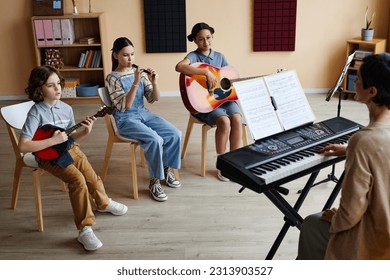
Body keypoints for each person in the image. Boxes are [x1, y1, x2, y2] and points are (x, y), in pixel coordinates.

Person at [19, 66, 128, 251]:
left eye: (58, 84)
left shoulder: (66, 109)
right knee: (78, 180)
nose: (57, 88)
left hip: (69, 149)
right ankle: (85, 229)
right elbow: (23, 146)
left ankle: (103, 203)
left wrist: (85, 132)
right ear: (39, 89)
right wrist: (52, 140)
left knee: (91, 176)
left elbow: (70, 138)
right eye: (50, 85)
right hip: (47, 156)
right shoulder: (36, 112)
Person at [297, 53, 390, 259]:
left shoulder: (363, 141)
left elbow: (350, 214)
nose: (354, 81)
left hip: (378, 240)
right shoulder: (369, 141)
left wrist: (333, 218)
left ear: (372, 92)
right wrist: (349, 149)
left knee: (311, 225)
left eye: (358, 79)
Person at [106, 37, 181, 202]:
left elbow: (154, 98)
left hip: (143, 113)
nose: (130, 59)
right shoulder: (112, 78)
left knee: (175, 133)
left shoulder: (137, 72)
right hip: (126, 119)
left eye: (132, 54)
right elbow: (125, 106)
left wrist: (154, 83)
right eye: (125, 55)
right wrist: (135, 82)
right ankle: (154, 181)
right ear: (116, 56)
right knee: (155, 139)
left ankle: (166, 170)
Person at [175, 22, 243, 182]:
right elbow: (180, 67)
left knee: (237, 119)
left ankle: (236, 163)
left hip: (224, 98)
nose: (205, 42)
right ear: (195, 41)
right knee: (224, 122)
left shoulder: (220, 56)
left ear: (212, 37)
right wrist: (205, 72)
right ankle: (223, 163)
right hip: (205, 103)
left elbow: (228, 77)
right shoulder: (193, 56)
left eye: (208, 38)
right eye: (200, 39)